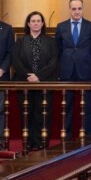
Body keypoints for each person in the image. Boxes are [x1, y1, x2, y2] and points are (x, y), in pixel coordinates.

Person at [13, 11, 58, 150]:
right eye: (33, 21)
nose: (36, 23)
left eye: (39, 21)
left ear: (43, 23)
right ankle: (28, 144)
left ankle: (41, 144)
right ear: (28, 24)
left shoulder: (50, 41)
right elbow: (16, 60)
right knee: (27, 114)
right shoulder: (21, 40)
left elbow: (53, 61)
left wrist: (39, 76)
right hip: (25, 83)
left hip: (43, 83)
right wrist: (28, 75)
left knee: (42, 114)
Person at [55, 0, 91, 137]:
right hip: (67, 71)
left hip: (85, 70)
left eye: (79, 8)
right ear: (69, 10)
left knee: (87, 105)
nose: (77, 11)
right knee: (66, 105)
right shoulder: (61, 26)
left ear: (83, 9)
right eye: (74, 9)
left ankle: (89, 134)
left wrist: (87, 61)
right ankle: (66, 135)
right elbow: (58, 49)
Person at [0, 19, 14, 148]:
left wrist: (3, 68)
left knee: (1, 109)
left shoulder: (7, 28)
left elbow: (10, 52)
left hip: (1, 77)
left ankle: (0, 141)